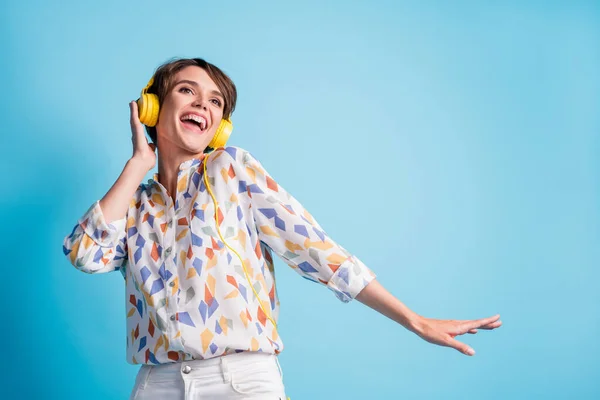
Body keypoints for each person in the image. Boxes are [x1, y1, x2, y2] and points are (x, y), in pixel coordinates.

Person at [62, 57, 502, 400]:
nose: (202, 104)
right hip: (155, 384)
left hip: (240, 382)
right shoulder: (133, 204)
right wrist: (137, 163)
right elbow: (85, 254)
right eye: (187, 91)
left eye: (215, 101)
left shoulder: (233, 169)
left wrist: (415, 321)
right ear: (154, 107)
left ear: (221, 126)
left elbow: (318, 252)